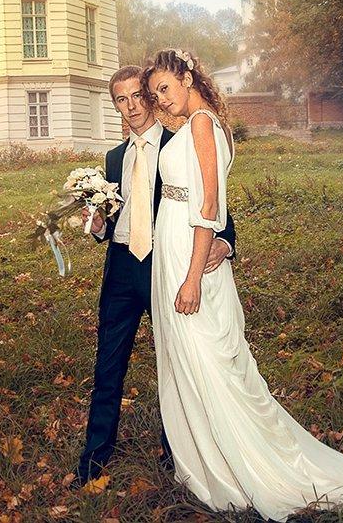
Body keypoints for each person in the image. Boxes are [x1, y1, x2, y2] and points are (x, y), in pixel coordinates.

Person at [142, 48, 343, 522]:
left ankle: (243, 469)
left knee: (210, 365)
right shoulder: (192, 125)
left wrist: (192, 278)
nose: (160, 100)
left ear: (187, 77)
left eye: (164, 88)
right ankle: (210, 461)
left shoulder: (202, 124)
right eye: (154, 94)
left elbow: (209, 207)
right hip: (173, 251)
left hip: (189, 257)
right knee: (190, 362)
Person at [72, 64, 238, 487]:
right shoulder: (113, 158)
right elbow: (113, 217)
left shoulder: (177, 142)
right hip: (121, 268)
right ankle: (94, 458)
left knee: (176, 360)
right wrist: (98, 226)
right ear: (115, 106)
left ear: (149, 97)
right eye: (121, 100)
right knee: (108, 365)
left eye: (137, 96)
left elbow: (212, 200)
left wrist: (226, 242)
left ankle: (176, 453)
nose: (131, 106)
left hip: (165, 266)